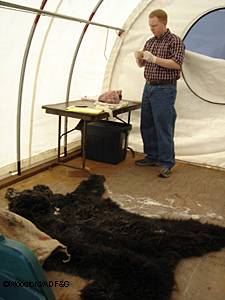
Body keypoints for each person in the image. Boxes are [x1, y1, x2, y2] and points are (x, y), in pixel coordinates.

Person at [134, 9, 185, 178]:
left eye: (154, 26)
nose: (152, 29)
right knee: (146, 124)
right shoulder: (150, 42)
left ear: (164, 23)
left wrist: (154, 59)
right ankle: (152, 156)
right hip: (148, 87)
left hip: (165, 89)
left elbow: (177, 64)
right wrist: (139, 59)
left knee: (163, 126)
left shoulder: (175, 41)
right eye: (150, 26)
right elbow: (143, 65)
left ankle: (167, 162)